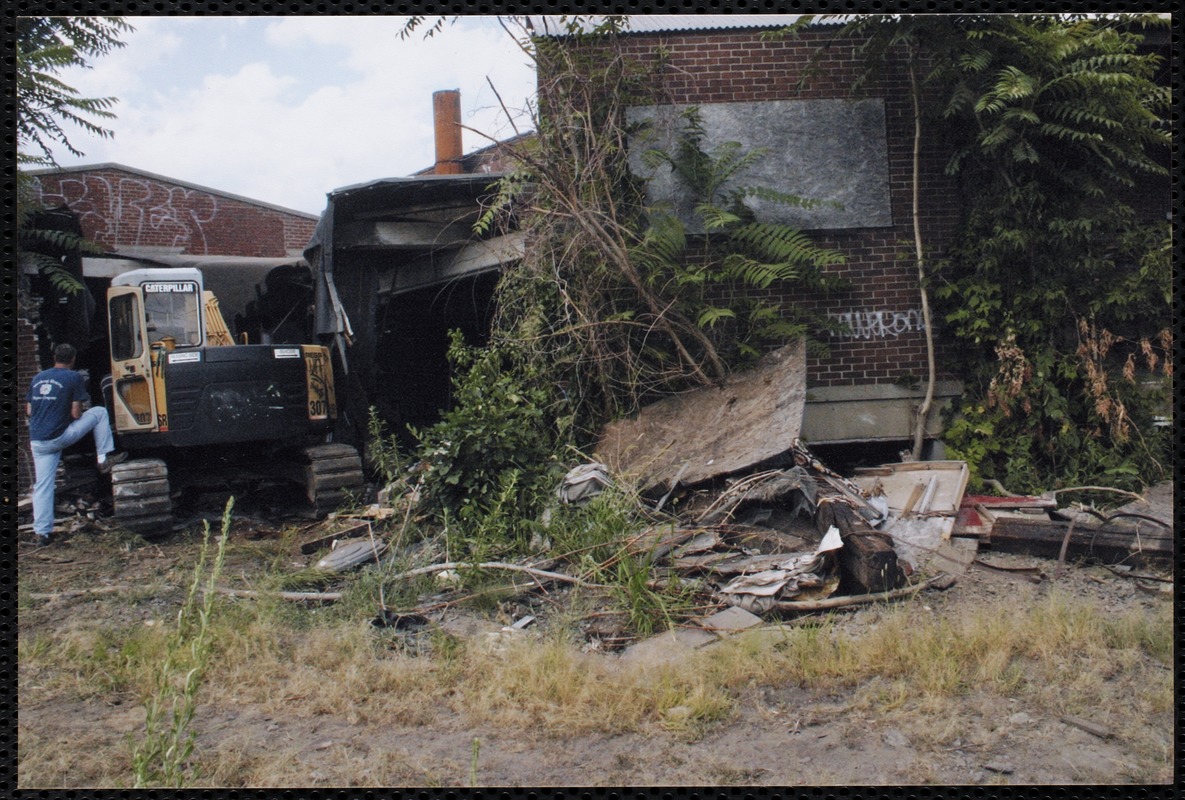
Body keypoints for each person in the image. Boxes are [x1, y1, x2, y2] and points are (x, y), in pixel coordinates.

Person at [25, 343, 126, 544]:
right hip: (59, 436)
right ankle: (103, 457)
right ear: (73, 359)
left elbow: (29, 411)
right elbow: (76, 413)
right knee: (99, 413)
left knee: (43, 486)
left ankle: (42, 534)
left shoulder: (38, 378)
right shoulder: (73, 377)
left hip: (38, 441)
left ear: (54, 357)